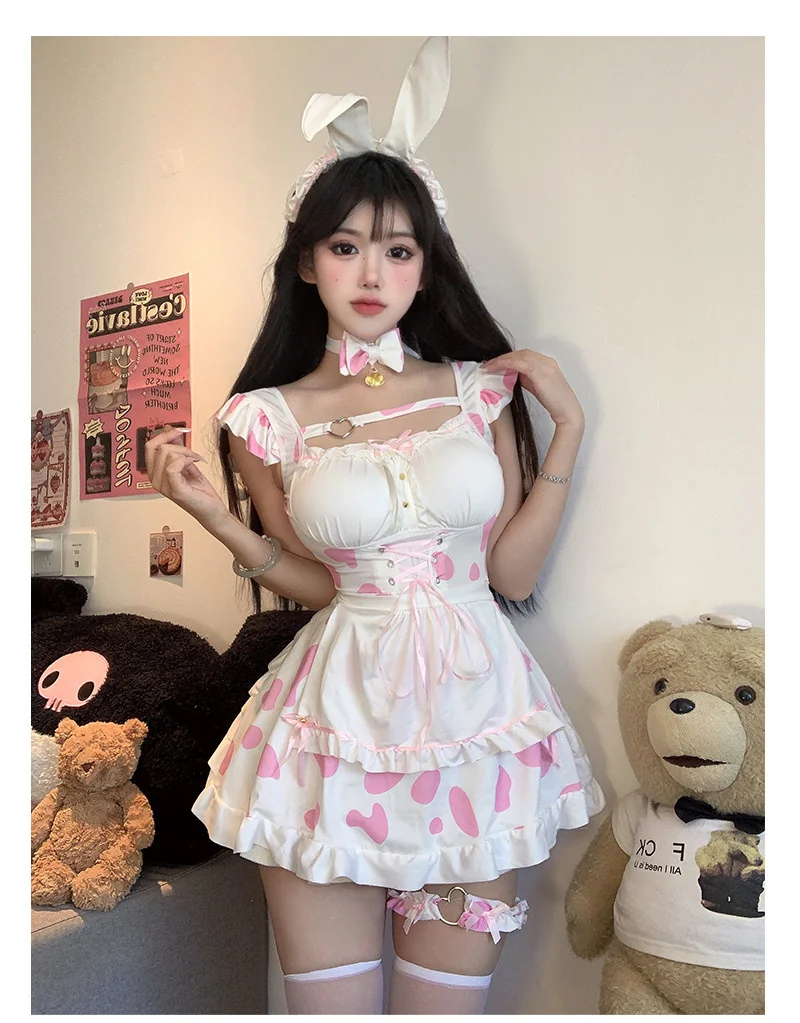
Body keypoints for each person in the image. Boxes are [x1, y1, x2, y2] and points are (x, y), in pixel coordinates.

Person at [145, 38, 603, 1016]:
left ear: (426, 267)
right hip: (331, 734)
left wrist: (567, 429)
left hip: (476, 726)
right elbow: (316, 580)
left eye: (398, 249)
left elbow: (510, 573)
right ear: (305, 261)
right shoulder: (265, 418)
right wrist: (213, 516)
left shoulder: (478, 392)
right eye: (345, 245)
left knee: (445, 1008)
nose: (371, 270)